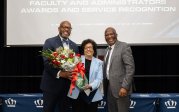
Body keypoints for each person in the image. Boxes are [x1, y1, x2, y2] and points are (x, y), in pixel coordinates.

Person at [40, 20, 79, 112]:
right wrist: (60, 73)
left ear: (70, 30)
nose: (66, 29)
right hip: (51, 86)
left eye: (68, 28)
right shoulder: (50, 42)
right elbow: (46, 62)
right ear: (59, 29)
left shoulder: (74, 46)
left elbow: (77, 65)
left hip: (67, 87)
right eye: (64, 27)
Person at [103, 27, 135, 112]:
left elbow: (130, 68)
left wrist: (125, 87)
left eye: (111, 34)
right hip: (109, 88)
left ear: (116, 35)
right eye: (107, 35)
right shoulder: (106, 50)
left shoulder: (124, 46)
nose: (109, 36)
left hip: (121, 89)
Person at [67, 39, 103, 112]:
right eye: (86, 48)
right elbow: (72, 74)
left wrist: (90, 86)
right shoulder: (76, 60)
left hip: (92, 94)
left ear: (94, 50)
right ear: (83, 50)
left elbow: (99, 79)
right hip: (77, 93)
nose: (88, 49)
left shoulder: (99, 62)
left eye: (90, 47)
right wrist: (80, 84)